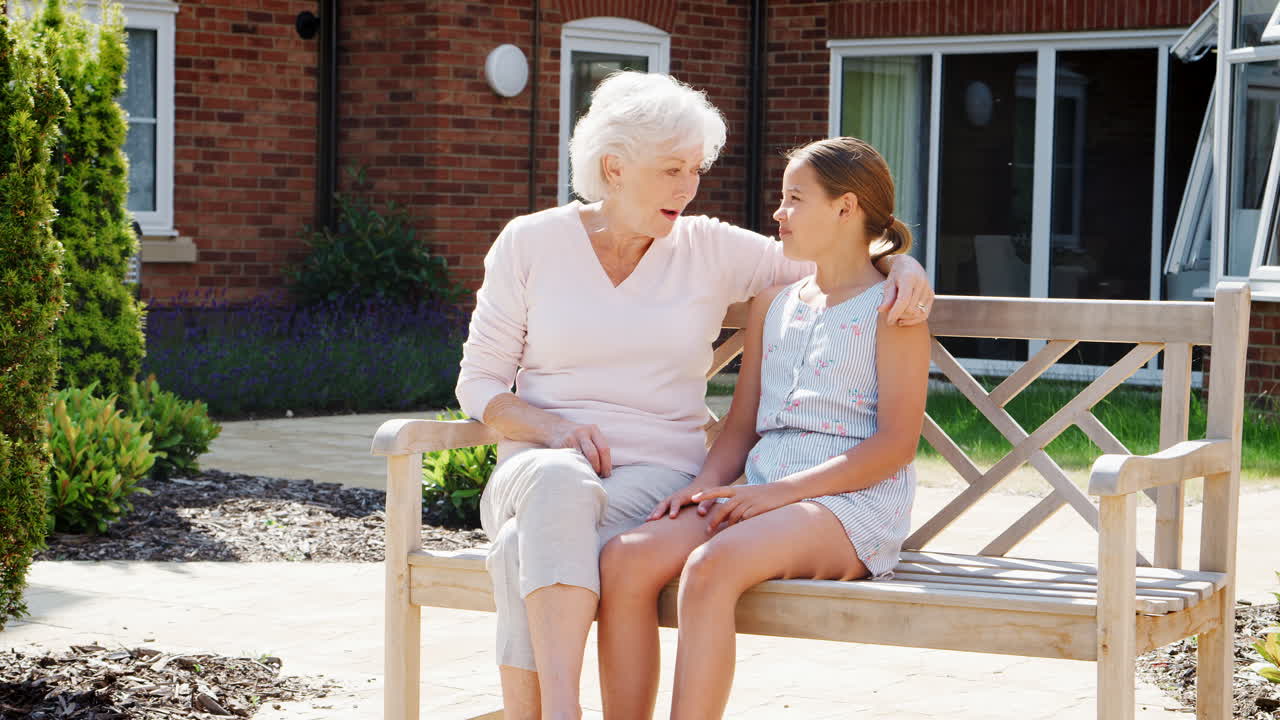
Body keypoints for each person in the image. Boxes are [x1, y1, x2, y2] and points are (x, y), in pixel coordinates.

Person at [455, 72, 933, 720]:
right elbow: (479, 382)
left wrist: (903, 263)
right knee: (559, 483)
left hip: (665, 482)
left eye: (695, 170)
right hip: (544, 470)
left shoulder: (709, 246)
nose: (688, 187)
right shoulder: (531, 243)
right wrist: (555, 431)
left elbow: (839, 261)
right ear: (615, 168)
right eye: (671, 170)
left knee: (523, 550)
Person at [596, 136, 931, 720]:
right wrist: (703, 485)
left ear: (846, 208)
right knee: (626, 558)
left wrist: (777, 494)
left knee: (711, 566)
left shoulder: (893, 308)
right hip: (758, 490)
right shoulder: (774, 302)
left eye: (795, 198)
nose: (779, 213)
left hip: (851, 504)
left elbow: (896, 446)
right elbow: (741, 426)